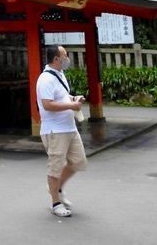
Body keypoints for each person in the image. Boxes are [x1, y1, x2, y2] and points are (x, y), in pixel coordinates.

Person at [35, 44, 87, 218]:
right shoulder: (45, 79)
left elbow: (61, 97)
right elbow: (47, 104)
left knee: (78, 161)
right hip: (55, 130)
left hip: (69, 127)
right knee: (55, 167)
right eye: (65, 55)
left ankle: (56, 188)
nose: (67, 59)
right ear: (56, 59)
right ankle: (55, 203)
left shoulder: (60, 74)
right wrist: (72, 105)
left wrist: (74, 98)